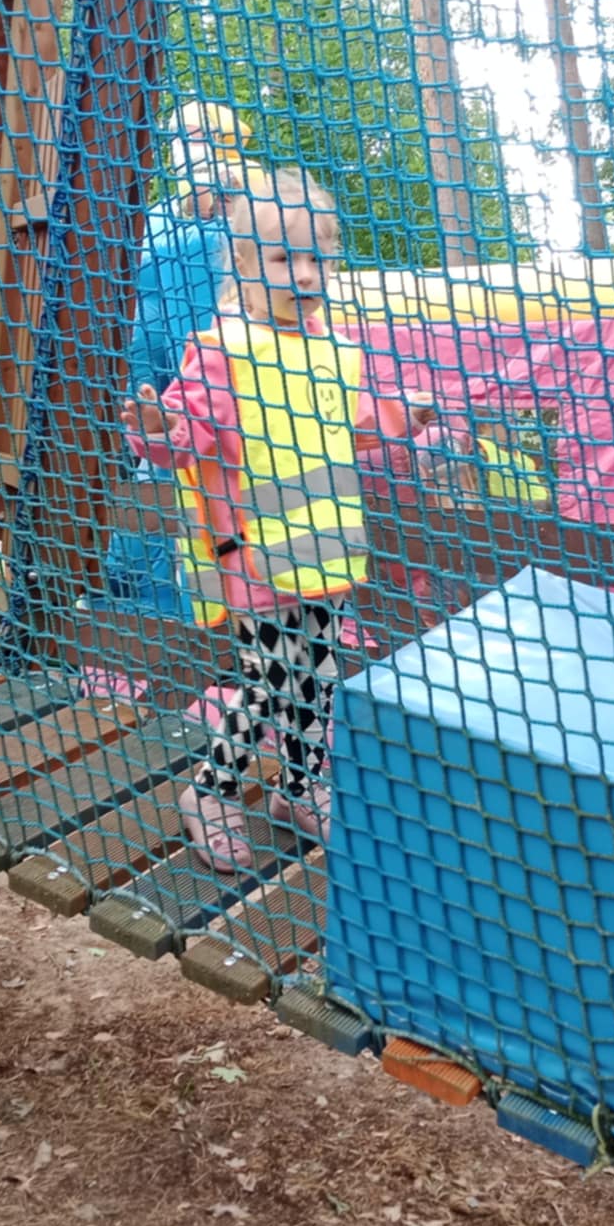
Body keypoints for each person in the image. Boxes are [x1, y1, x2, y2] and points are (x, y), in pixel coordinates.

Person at [120, 167, 433, 872]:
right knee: (269, 683)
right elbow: (187, 436)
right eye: (285, 258)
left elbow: (349, 422)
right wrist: (156, 428)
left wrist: (402, 417)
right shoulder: (223, 351)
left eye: (318, 257)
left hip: (323, 548)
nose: (306, 274)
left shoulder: (331, 346)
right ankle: (212, 788)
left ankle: (298, 786)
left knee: (316, 678)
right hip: (251, 551)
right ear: (243, 263)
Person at [101, 103, 247, 616]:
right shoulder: (157, 219)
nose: (189, 146)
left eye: (200, 135)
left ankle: (199, 606)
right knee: (153, 472)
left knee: (204, 480)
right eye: (183, 137)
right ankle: (136, 599)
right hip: (154, 371)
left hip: (212, 376)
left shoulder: (246, 218)